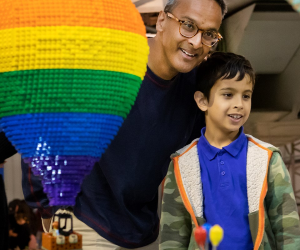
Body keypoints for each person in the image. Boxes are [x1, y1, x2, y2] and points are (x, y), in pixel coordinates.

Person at [18, 0, 227, 249]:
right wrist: (47, 211)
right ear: (161, 20)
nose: (196, 42)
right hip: (80, 222)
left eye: (209, 34)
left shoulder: (196, 92)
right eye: (188, 26)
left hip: (142, 231)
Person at [159, 52, 300, 250]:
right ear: (202, 101)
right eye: (228, 94)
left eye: (246, 96)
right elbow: (172, 236)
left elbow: (288, 229)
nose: (239, 104)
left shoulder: (267, 158)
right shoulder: (181, 163)